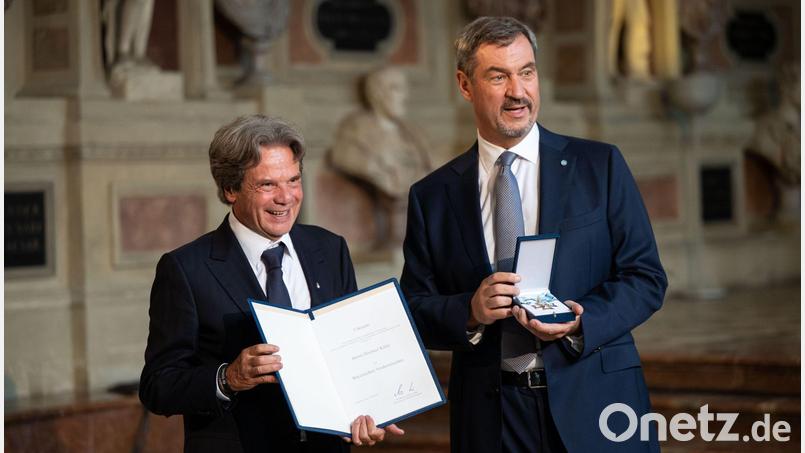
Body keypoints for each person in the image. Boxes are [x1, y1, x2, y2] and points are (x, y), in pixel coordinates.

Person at [400, 17, 667, 453]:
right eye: (498, 76)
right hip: (492, 418)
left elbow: (646, 277)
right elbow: (415, 306)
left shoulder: (599, 166)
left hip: (596, 401)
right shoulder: (432, 196)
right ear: (465, 85)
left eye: (526, 72)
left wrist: (582, 321)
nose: (518, 92)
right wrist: (469, 311)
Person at [140, 115, 403, 452]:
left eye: (293, 180)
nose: (286, 197)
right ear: (230, 189)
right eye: (267, 185)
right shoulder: (186, 269)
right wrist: (228, 377)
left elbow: (350, 355)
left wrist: (369, 409)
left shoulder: (329, 248)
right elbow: (157, 386)